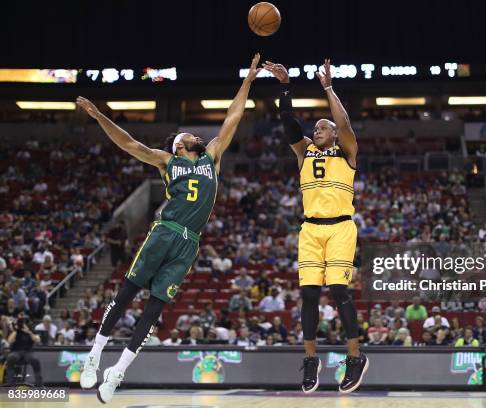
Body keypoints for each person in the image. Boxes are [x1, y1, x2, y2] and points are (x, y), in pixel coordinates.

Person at [76, 54, 261, 403]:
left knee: (155, 307)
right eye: (188, 134)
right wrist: (100, 116)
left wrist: (247, 81)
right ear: (178, 145)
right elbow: (130, 144)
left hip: (189, 244)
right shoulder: (168, 161)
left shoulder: (213, 157)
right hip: (165, 232)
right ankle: (95, 355)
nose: (196, 134)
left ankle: (118, 372)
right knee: (128, 293)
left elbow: (232, 117)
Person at [264, 59, 368, 394]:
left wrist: (327, 89)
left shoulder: (347, 151)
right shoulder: (304, 151)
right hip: (310, 229)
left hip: (339, 228)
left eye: (324, 127)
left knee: (338, 291)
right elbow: (288, 122)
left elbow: (344, 121)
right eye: (317, 127)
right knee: (308, 295)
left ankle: (355, 357)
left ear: (335, 134)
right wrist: (285, 86)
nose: (318, 130)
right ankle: (311, 359)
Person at [3, 314, 43, 386]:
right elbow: (9, 341)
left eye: (25, 322)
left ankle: (39, 383)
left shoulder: (31, 331)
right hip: (16, 351)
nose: (23, 324)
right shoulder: (16, 331)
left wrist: (29, 332)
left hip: (28, 352)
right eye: (22, 323)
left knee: (35, 360)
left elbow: (37, 340)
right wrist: (16, 330)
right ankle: (9, 383)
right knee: (10, 358)